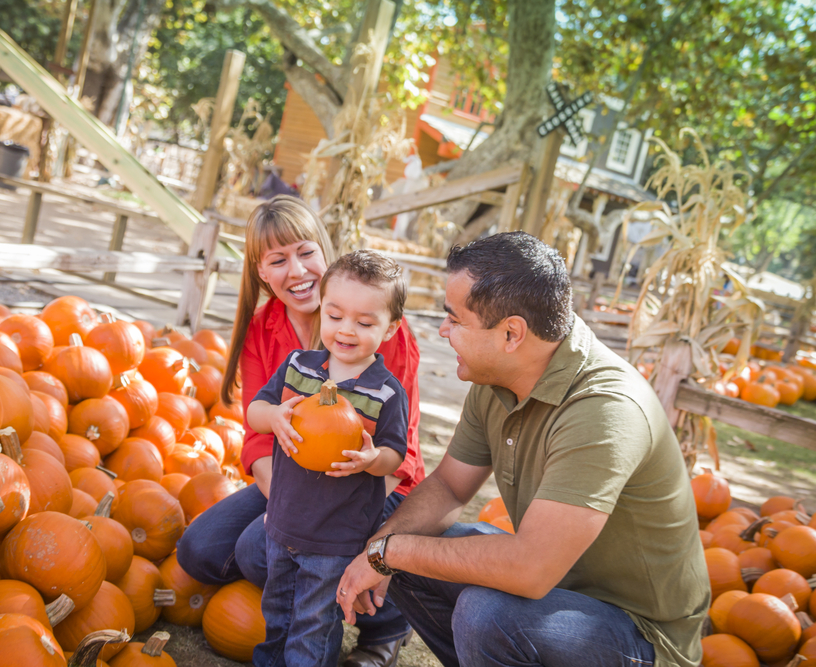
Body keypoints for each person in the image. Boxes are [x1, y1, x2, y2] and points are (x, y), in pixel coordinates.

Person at [336, 232, 710, 667]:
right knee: (392, 524)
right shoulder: (497, 374)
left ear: (512, 333)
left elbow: (529, 571)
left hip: (641, 637)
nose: (443, 330)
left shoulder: (606, 411)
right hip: (555, 592)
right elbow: (451, 488)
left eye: (454, 320)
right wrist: (380, 547)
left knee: (483, 611)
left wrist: (389, 555)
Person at [176, 196, 424, 667]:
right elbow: (257, 430)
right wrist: (284, 508)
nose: (297, 270)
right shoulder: (266, 331)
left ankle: (383, 623)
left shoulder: (379, 328)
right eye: (278, 259)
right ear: (261, 272)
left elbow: (401, 454)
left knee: (257, 549)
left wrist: (351, 529)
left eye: (305, 252)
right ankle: (295, 589)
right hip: (290, 477)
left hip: (368, 483)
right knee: (202, 549)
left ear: (324, 252)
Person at [248, 250, 410, 667]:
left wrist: (372, 458)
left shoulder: (386, 392)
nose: (346, 330)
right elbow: (254, 411)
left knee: (313, 626)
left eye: (365, 322)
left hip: (335, 537)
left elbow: (395, 454)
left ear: (391, 328)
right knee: (277, 617)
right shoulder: (298, 367)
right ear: (322, 309)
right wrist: (274, 416)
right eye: (335, 316)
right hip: (282, 522)